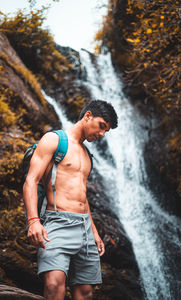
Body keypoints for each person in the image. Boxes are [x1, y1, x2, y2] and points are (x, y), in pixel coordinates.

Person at [23, 100, 118, 300]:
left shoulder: (87, 155)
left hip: (84, 228)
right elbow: (31, 180)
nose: (101, 134)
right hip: (57, 223)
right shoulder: (54, 140)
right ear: (88, 116)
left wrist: (94, 232)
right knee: (54, 285)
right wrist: (33, 221)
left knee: (85, 292)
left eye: (106, 131)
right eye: (102, 126)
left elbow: (82, 198)